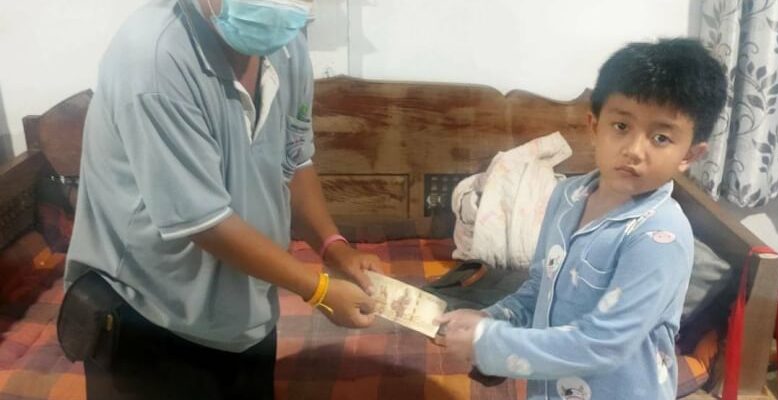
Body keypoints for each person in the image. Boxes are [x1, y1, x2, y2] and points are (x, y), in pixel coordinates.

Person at [59, 0, 381, 399]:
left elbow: (295, 159)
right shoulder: (154, 58)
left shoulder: (286, 46)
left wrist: (334, 247)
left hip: (246, 314)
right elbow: (203, 221)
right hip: (149, 317)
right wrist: (316, 289)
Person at [436, 38, 727, 400]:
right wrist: (493, 318)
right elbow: (539, 287)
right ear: (594, 125)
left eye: (661, 137)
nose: (634, 150)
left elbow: (603, 344)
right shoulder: (567, 197)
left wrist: (489, 343)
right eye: (621, 126)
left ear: (690, 155)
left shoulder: (660, 235)